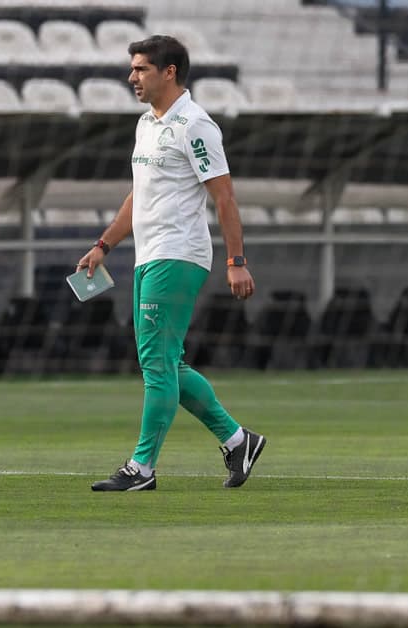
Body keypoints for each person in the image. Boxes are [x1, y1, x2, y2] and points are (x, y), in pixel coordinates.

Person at [78, 35, 266, 492]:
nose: (132, 77)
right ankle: (238, 441)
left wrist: (236, 261)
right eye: (133, 68)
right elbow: (137, 198)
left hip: (178, 254)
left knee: (157, 366)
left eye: (141, 69)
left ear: (169, 72)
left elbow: (224, 198)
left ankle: (142, 468)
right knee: (167, 363)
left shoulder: (196, 125)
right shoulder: (147, 124)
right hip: (149, 254)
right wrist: (105, 244)